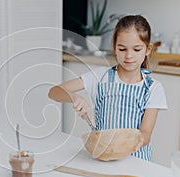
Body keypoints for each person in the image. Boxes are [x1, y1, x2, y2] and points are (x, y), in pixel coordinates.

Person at [48, 15, 167, 161]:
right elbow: (54, 92)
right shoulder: (100, 76)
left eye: (136, 49)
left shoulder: (153, 88)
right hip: (102, 157)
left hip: (136, 160)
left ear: (148, 49)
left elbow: (146, 132)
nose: (129, 56)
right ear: (114, 48)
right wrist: (74, 97)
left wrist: (137, 141)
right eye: (122, 49)